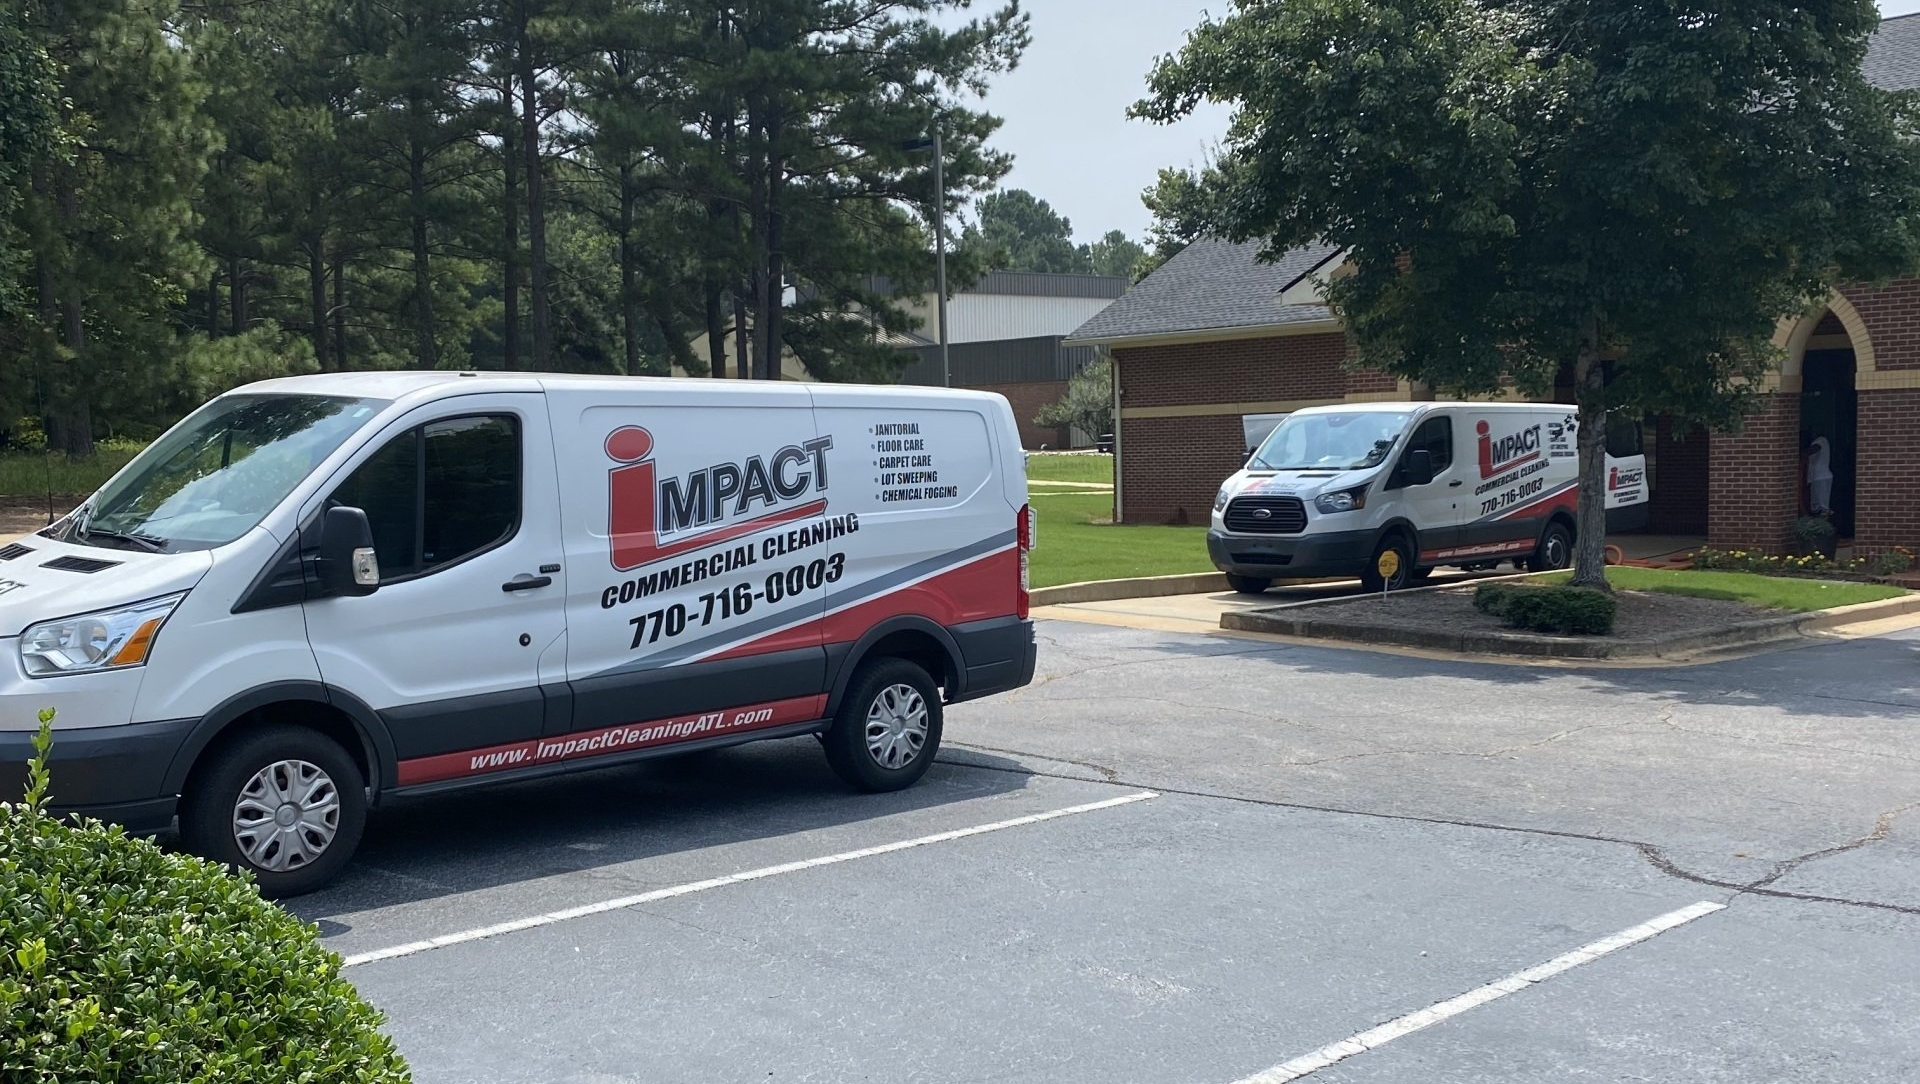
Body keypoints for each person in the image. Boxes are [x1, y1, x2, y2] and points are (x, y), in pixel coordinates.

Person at [1806, 436, 1834, 516]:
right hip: (1816, 477)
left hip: (1821, 477)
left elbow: (1815, 449)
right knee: (1815, 506)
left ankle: (1823, 522)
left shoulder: (1821, 440)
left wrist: (1801, 453)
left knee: (1822, 507)